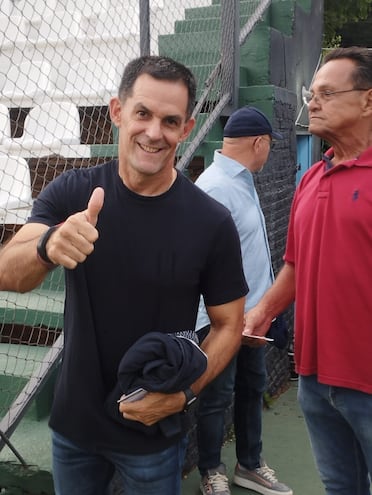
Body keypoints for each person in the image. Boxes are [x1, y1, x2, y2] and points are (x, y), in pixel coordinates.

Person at [0, 55, 249, 495]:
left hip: (154, 431)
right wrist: (47, 245)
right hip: (74, 427)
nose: (154, 132)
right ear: (117, 112)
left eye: (170, 121)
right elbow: (8, 272)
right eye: (143, 114)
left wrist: (184, 394)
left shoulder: (211, 222)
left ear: (186, 130)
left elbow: (230, 324)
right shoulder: (74, 192)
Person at [243, 46, 372, 495]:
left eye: (325, 93)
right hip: (314, 379)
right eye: (309, 94)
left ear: (367, 101)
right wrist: (261, 313)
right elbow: (297, 266)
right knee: (340, 486)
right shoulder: (310, 178)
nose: (311, 103)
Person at [195, 106, 292, 495]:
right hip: (222, 320)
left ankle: (249, 465)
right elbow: (199, 264)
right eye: (269, 147)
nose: (268, 154)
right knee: (217, 396)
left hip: (252, 317)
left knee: (252, 387)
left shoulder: (241, 179)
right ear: (259, 143)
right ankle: (210, 471)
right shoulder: (216, 186)